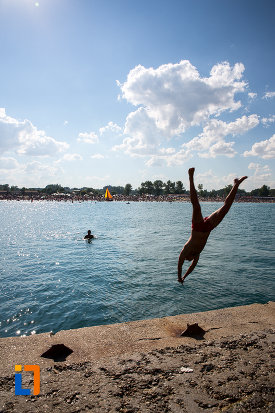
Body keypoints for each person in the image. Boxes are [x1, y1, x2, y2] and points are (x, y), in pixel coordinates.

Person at [178, 168, 247, 284]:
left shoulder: (186, 250)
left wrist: (179, 276)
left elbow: (179, 264)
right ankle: (236, 185)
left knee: (196, 205)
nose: (190, 261)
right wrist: (185, 277)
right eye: (190, 260)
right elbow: (192, 267)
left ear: (186, 257)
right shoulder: (196, 255)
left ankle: (190, 177)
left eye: (188, 260)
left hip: (197, 226)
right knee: (225, 209)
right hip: (208, 227)